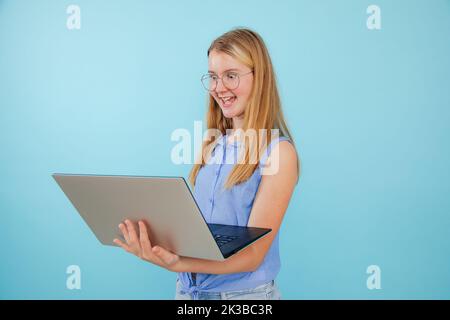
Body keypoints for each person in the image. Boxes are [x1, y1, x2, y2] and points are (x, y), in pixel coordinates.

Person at [113, 28, 300, 300]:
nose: (219, 88)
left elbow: (252, 255)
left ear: (260, 79)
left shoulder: (278, 153)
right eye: (213, 77)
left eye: (231, 76)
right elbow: (203, 233)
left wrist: (178, 263)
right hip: (190, 291)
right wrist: (156, 240)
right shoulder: (213, 144)